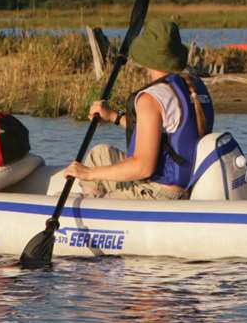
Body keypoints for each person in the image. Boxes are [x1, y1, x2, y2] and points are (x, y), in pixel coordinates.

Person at [62, 19, 214, 200]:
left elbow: (143, 167)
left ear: (147, 57)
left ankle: (94, 209)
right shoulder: (192, 86)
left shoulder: (151, 99)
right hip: (183, 184)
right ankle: (95, 199)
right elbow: (162, 134)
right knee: (99, 154)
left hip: (159, 193)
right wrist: (113, 116)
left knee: (90, 178)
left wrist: (88, 174)